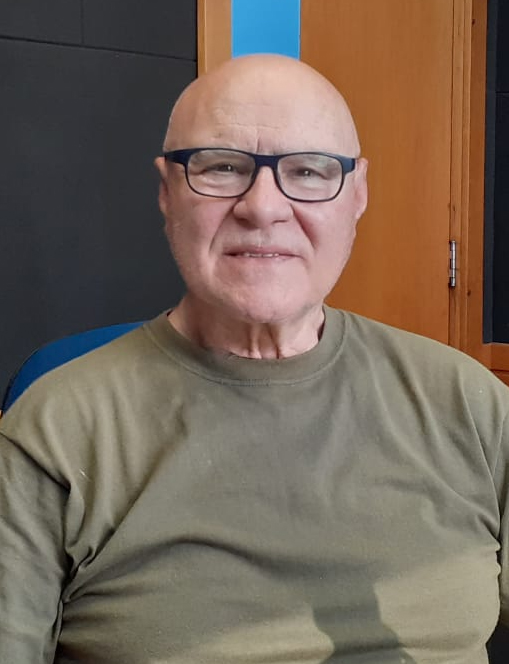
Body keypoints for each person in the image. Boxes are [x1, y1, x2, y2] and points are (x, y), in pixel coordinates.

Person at [1, 54, 508, 664]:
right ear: (167, 192)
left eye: (310, 171)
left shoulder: (469, 404)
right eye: (221, 167)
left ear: (358, 195)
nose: (263, 207)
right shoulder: (54, 432)